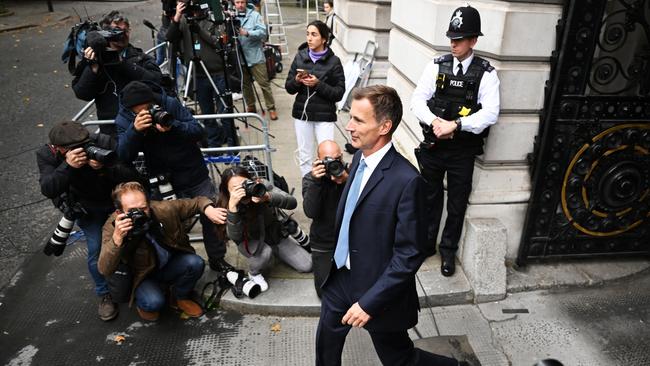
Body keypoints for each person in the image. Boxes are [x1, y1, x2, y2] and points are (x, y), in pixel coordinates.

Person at [315, 85, 460, 366]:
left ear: (385, 126)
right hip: (339, 279)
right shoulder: (358, 157)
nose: (349, 126)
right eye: (351, 117)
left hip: (377, 290)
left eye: (358, 120)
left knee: (400, 359)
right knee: (326, 348)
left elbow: (409, 254)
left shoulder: (407, 181)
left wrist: (369, 303)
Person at [410, 5, 500, 277]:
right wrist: (436, 123)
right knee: (429, 198)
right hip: (434, 147)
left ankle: (448, 251)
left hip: (462, 151)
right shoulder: (436, 65)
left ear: (473, 41)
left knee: (457, 203)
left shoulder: (486, 73)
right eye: (451, 38)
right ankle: (426, 245)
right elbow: (417, 100)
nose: (453, 44)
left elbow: (491, 113)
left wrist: (457, 124)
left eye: (459, 39)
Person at [114, 80, 234, 274]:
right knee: (167, 222)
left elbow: (197, 131)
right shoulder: (123, 119)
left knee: (212, 216)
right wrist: (135, 131)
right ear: (130, 110)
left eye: (148, 108)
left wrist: (173, 126)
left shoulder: (169, 104)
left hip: (193, 172)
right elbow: (123, 156)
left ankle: (217, 259)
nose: (146, 112)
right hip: (163, 180)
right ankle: (182, 264)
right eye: (139, 111)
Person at [36, 121, 140, 321]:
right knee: (96, 249)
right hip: (86, 209)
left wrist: (104, 168)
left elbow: (131, 175)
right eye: (76, 149)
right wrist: (68, 166)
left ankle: (136, 281)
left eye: (85, 145)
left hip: (113, 202)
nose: (83, 151)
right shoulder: (47, 154)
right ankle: (104, 294)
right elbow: (49, 188)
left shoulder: (101, 142)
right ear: (59, 149)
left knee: (132, 241)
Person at [98, 181, 228, 321]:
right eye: (132, 211)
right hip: (142, 276)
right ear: (119, 212)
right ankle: (144, 303)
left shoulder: (163, 209)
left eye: (143, 208)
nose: (140, 214)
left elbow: (197, 202)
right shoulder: (112, 228)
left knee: (195, 263)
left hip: (166, 264)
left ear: (149, 203)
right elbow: (104, 269)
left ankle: (179, 296)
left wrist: (209, 209)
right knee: (154, 303)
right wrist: (117, 239)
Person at [217, 166, 312, 292]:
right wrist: (233, 208)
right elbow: (236, 237)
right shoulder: (225, 204)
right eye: (235, 188)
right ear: (227, 191)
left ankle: (278, 252)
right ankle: (254, 273)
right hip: (250, 241)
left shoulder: (260, 186)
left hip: (274, 234)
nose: (243, 190)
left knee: (307, 265)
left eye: (244, 184)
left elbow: (292, 202)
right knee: (265, 252)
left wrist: (268, 197)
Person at [72, 11, 162, 136]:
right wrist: (93, 68)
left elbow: (156, 82)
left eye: (125, 31)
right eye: (116, 31)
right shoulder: (96, 61)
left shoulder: (140, 58)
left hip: (144, 126)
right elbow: (82, 93)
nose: (122, 35)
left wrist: (122, 64)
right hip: (112, 130)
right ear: (104, 33)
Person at [166, 0, 238, 147]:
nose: (196, 10)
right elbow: (170, 37)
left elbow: (219, 43)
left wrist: (199, 30)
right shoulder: (184, 21)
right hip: (198, 75)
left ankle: (233, 146)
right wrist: (177, 17)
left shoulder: (216, 18)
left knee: (225, 114)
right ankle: (214, 146)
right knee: (207, 116)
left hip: (218, 74)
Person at [285, 20, 345, 176]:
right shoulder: (300, 57)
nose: (309, 38)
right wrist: (297, 81)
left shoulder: (334, 62)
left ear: (324, 39)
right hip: (302, 115)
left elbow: (339, 93)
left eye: (314, 34)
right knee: (305, 156)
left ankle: (325, 189)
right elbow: (289, 88)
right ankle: (308, 189)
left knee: (327, 156)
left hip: (324, 117)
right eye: (307, 34)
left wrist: (318, 84)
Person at [302, 140, 348, 297]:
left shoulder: (349, 173)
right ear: (319, 161)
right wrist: (317, 182)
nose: (333, 164)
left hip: (350, 240)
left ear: (341, 157)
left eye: (337, 159)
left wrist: (346, 180)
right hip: (324, 244)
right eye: (328, 160)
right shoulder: (310, 179)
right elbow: (311, 212)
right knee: (325, 292)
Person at [232, 0, 278, 120]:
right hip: (240, 56)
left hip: (255, 56)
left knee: (263, 83)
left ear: (246, 3)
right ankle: (251, 105)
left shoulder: (255, 15)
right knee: (245, 84)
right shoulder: (231, 16)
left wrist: (247, 33)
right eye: (237, 2)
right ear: (234, 4)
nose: (240, 5)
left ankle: (271, 108)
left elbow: (263, 33)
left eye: (242, 2)